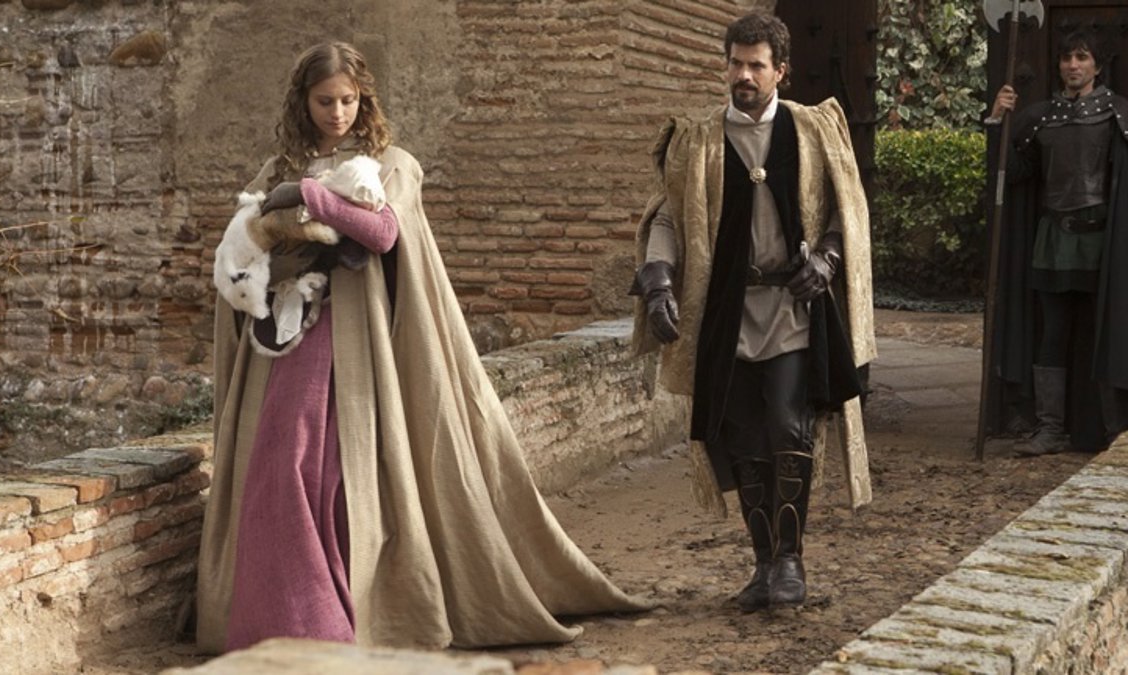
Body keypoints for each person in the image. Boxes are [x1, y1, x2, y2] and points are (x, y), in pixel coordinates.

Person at [195, 41, 647, 654]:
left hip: (363, 343)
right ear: (303, 103)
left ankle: (341, 613)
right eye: (325, 101)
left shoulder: (391, 164)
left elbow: (382, 232)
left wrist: (309, 197)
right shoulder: (278, 166)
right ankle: (286, 618)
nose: (337, 113)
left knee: (341, 475)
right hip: (286, 337)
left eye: (348, 100)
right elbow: (244, 239)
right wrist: (267, 225)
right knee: (283, 462)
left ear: (364, 99)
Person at [630, 13, 875, 613]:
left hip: (793, 309)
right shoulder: (697, 139)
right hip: (727, 313)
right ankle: (763, 563)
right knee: (741, 438)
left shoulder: (813, 130)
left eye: (756, 65)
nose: (743, 75)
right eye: (735, 64)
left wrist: (828, 259)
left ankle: (791, 562)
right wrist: (658, 281)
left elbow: (847, 207)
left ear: (780, 71)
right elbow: (667, 218)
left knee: (788, 429)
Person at [985, 28, 1128, 456]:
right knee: (1053, 332)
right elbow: (1013, 173)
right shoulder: (1040, 118)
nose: (1072, 65)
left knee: (1105, 331)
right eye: (1067, 58)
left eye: (1081, 57)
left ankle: (1114, 430)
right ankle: (1049, 429)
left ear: (1097, 66)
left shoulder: (1118, 115)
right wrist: (997, 121)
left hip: (1103, 244)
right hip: (1053, 241)